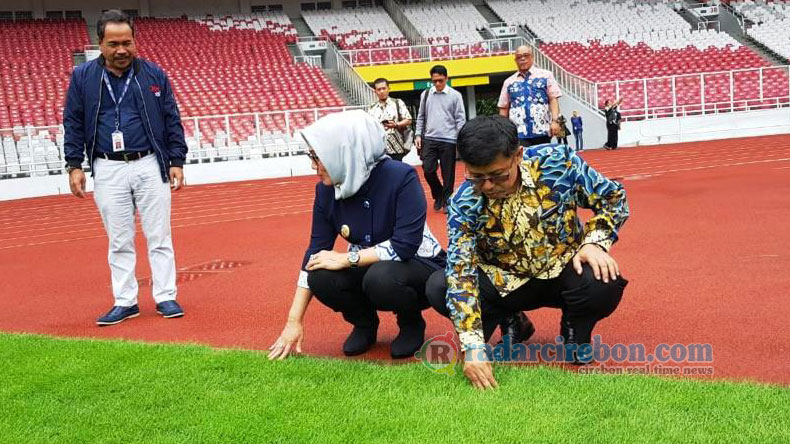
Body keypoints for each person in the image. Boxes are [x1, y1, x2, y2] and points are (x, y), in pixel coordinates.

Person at [426, 116, 629, 389]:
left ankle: (575, 330)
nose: (487, 186)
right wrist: (472, 346)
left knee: (603, 278)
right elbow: (460, 271)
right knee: (440, 285)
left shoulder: (559, 162)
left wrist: (594, 242)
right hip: (505, 281)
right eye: (476, 177)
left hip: (565, 268)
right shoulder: (463, 202)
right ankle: (512, 320)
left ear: (518, 155)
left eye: (498, 176)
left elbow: (614, 198)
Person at [268, 110, 446, 360]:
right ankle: (364, 323)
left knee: (381, 277)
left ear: (344, 153)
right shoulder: (326, 191)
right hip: (369, 262)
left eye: (318, 158)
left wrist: (345, 259)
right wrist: (293, 321)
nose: (313, 166)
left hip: (418, 263)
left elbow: (404, 246)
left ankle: (411, 322)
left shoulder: (400, 177)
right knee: (319, 275)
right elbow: (315, 249)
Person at [63, 9, 187, 326]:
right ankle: (125, 301)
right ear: (100, 43)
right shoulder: (83, 77)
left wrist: (176, 160)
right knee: (119, 240)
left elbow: (172, 118)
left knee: (159, 236)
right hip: (107, 167)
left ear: (135, 42)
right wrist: (73, 163)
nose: (122, 50)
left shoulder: (154, 75)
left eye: (127, 43)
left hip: (149, 163)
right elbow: (73, 122)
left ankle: (165, 296)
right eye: (114, 43)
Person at [415, 65, 466, 212]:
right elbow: (421, 117)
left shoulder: (455, 96)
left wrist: (459, 139)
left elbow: (460, 120)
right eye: (434, 81)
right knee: (428, 170)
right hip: (429, 139)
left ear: (446, 79)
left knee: (448, 174)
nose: (437, 84)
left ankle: (447, 201)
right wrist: (418, 134)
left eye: (440, 80)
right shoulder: (425, 94)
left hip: (449, 139)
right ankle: (439, 195)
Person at [499, 45, 562, 147]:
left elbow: (553, 99)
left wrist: (555, 121)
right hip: (518, 133)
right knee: (523, 162)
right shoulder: (509, 82)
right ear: (515, 60)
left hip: (542, 130)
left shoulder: (546, 76)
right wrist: (503, 131)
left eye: (526, 55)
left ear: (532, 57)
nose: (523, 59)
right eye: (519, 57)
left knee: (542, 160)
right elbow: (504, 108)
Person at [367, 78, 413, 161]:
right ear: (375, 91)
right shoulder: (372, 108)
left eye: (384, 88)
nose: (381, 91)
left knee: (397, 173)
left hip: (397, 147)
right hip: (380, 150)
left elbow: (409, 120)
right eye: (379, 89)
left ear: (388, 89)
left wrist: (396, 124)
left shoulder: (397, 103)